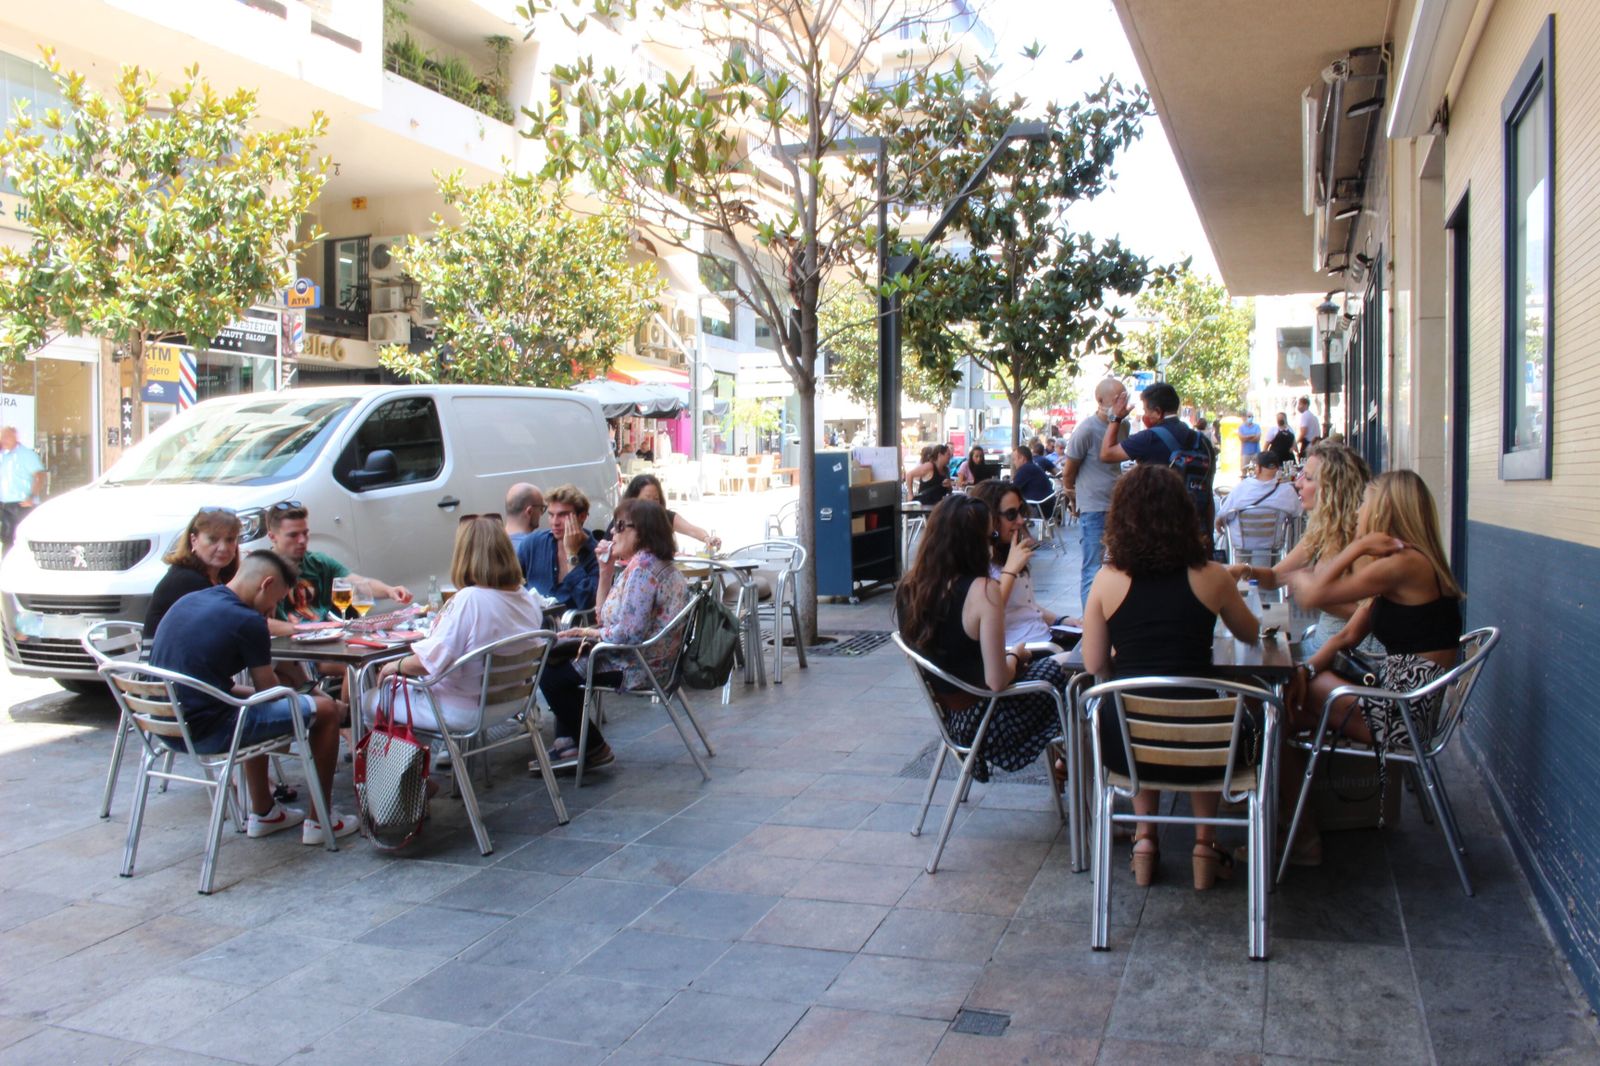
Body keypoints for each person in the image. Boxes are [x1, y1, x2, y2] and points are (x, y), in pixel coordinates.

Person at [1079, 465, 1259, 889]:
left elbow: (1092, 663)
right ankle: (1204, 846)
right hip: (1207, 739)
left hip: (1126, 744)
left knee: (1134, 714)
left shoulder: (1106, 580)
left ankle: (1145, 840)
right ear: (1183, 515)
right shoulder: (1213, 576)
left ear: (1121, 517)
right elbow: (1250, 633)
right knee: (1203, 717)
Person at [1286, 470, 1464, 855]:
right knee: (1286, 707)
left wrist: (1356, 548)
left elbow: (1315, 593)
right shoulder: (1402, 565)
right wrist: (1308, 668)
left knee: (1285, 705)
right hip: (1395, 698)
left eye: (1365, 503)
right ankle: (1297, 829)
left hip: (1404, 714)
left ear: (1384, 510)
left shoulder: (1405, 566)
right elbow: (1346, 636)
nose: (1358, 511)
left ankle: (1292, 832)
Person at [148, 550, 356, 842]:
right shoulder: (247, 620)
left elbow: (220, 688)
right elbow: (269, 695)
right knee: (326, 713)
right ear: (266, 584)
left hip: (165, 726)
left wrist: (303, 694)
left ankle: (264, 812)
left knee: (258, 708)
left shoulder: (190, 600)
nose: (274, 608)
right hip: (208, 732)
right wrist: (320, 701)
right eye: (278, 599)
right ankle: (321, 822)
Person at [894, 493, 1070, 783]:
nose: (991, 547)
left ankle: (1069, 760)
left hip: (953, 721)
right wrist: (1016, 655)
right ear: (971, 544)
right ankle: (1081, 776)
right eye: (988, 539)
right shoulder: (983, 590)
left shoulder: (909, 588)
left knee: (1069, 665)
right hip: (990, 720)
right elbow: (998, 681)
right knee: (1076, 671)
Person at [539, 498, 690, 771]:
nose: (612, 532)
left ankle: (593, 747)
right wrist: (605, 570)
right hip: (648, 659)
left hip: (637, 665)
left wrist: (587, 633)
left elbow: (628, 633)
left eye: (620, 526)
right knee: (560, 660)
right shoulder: (649, 564)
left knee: (551, 676)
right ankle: (570, 744)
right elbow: (604, 616)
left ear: (642, 531)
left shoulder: (644, 570)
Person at [373, 516, 547, 732]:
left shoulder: (469, 599)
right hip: (514, 702)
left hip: (461, 710)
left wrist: (394, 666)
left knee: (369, 698)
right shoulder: (526, 598)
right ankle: (442, 753)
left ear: (463, 555)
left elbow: (429, 662)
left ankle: (402, 762)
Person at [1228, 442, 1375, 658]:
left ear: (1332, 487)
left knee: (1256, 665)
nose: (1297, 484)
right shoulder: (1323, 529)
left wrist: (1317, 595)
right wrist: (1242, 570)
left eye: (1307, 478)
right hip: (1322, 644)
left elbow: (1372, 616)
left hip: (1352, 656)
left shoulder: (1361, 537)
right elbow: (1276, 576)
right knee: (1254, 658)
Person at [266, 502, 412, 634]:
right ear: (272, 537)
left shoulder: (318, 562)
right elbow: (255, 622)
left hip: (326, 637)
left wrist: (389, 591)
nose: (302, 540)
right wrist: (300, 629)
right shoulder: (262, 570)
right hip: (289, 646)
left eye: (305, 533)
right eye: (293, 535)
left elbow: (358, 583)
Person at [1100, 381, 1215, 547]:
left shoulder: (1148, 439)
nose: (1145, 415)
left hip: (1160, 531)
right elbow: (1208, 493)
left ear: (1158, 412)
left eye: (1146, 410)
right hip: (1195, 531)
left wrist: (1116, 418)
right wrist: (1208, 536)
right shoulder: (1203, 442)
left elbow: (1107, 453)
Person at [971, 480, 1074, 646]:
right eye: (1011, 514)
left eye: (1021, 511)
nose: (1020, 520)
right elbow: (990, 612)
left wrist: (1062, 620)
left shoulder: (1007, 551)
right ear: (990, 518)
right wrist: (1010, 571)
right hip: (1020, 649)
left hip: (1043, 639)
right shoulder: (978, 561)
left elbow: (1024, 608)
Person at [1063, 378, 1129, 610]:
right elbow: (1068, 473)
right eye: (1118, 398)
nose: (1123, 403)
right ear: (1100, 401)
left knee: (1119, 565)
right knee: (1093, 566)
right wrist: (1076, 499)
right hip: (1093, 507)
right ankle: (1090, 626)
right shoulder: (1086, 430)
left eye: (1125, 397)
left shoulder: (1123, 425)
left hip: (1118, 507)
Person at [144, 508, 242, 639]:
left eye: (229, 540)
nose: (223, 548)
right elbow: (231, 622)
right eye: (213, 539)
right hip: (165, 658)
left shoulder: (220, 578)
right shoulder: (186, 580)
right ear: (193, 540)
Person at [516, 484, 600, 613]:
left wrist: (571, 554)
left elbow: (587, 603)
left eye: (562, 515)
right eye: (551, 515)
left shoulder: (597, 554)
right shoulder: (534, 542)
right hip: (532, 623)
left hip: (572, 627)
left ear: (582, 516)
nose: (555, 522)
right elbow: (508, 579)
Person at [1213, 451, 1302, 558]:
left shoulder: (1242, 488)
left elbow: (1221, 517)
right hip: (1273, 546)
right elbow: (1298, 514)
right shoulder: (1288, 491)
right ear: (1278, 469)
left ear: (1258, 468)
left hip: (1242, 547)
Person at [616, 473, 719, 551]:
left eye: (656, 499)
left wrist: (707, 538)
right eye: (647, 498)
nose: (652, 503)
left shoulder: (664, 517)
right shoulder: (625, 520)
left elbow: (692, 530)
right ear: (633, 498)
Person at [0, 425, 45, 555]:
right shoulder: (3, 456)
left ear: (15, 436)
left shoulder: (26, 454)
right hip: (5, 504)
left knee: (24, 540)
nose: (4, 440)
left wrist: (32, 496)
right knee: (7, 539)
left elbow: (40, 476)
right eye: (2, 437)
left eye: (7, 436)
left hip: (22, 504)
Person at [1009, 445, 1054, 516]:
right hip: (1046, 507)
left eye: (1014, 459)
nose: (1014, 463)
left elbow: (1012, 489)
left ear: (1022, 458)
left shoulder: (1025, 469)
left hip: (1038, 508)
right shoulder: (1033, 467)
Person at [504, 483, 546, 552]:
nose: (541, 514)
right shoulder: (535, 548)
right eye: (541, 508)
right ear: (529, 511)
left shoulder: (491, 543)